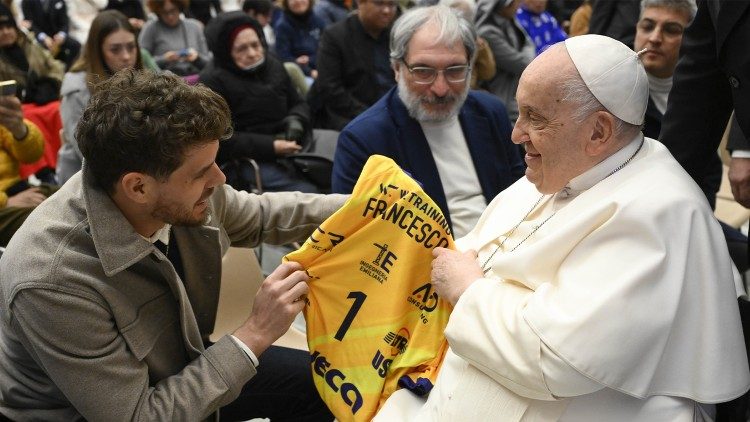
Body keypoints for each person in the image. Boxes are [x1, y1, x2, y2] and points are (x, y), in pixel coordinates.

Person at [375, 33, 750, 421]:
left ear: (599, 132)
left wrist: (469, 290)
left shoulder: (658, 213)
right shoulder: (562, 166)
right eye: (518, 113)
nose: (516, 133)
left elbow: (559, 359)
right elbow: (473, 251)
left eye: (534, 117)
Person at [0, 69, 344, 421]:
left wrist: (377, 205)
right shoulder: (50, 279)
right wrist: (255, 332)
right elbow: (139, 416)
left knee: (327, 386)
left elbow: (262, 215)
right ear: (138, 188)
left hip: (179, 366)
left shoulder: (165, 188)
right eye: (201, 173)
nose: (220, 179)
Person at [332, 5, 524, 238]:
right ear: (396, 69)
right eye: (423, 71)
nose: (441, 89)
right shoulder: (364, 141)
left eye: (455, 70)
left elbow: (522, 194)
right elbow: (357, 239)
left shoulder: (491, 112)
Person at [201, 11, 336, 193]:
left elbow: (299, 103)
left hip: (294, 142)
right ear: (225, 52)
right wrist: (272, 146)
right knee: (310, 193)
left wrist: (296, 119)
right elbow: (221, 139)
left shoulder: (273, 65)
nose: (252, 53)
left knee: (339, 170)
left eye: (256, 45)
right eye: (241, 49)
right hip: (251, 158)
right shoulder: (213, 82)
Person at [56, 10, 144, 185]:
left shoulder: (141, 78)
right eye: (115, 49)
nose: (126, 56)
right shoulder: (76, 87)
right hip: (83, 179)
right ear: (98, 51)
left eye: (131, 47)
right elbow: (84, 151)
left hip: (133, 172)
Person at [307, 0, 398, 130]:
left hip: (393, 112)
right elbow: (330, 88)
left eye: (391, 5)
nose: (386, 11)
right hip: (351, 116)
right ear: (361, 3)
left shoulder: (396, 36)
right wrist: (371, 115)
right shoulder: (335, 36)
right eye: (379, 3)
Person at [634, 0, 694, 140]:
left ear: (692, 38)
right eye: (647, 27)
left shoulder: (702, 93)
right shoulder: (612, 88)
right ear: (636, 29)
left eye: (671, 30)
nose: (655, 38)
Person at [0, 87, 47, 246]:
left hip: (16, 189)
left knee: (81, 195)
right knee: (52, 220)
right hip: (5, 203)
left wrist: (19, 129)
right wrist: (5, 202)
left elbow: (32, 155)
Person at [475, 0, 535, 124]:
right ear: (505, 5)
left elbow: (529, 42)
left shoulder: (510, 21)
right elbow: (521, 63)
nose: (518, 6)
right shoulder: (488, 32)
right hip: (502, 94)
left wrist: (527, 52)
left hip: (516, 86)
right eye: (515, 3)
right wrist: (528, 54)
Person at [0, 3, 63, 105]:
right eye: (0, 28)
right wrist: (22, 94)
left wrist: (51, 83)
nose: (6, 32)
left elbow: (55, 66)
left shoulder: (30, 43)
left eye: (9, 26)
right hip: (19, 110)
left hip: (49, 101)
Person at [138, 0, 210, 76]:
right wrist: (164, 59)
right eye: (164, 12)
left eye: (173, 10)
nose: (170, 16)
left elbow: (208, 63)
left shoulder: (194, 27)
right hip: (165, 82)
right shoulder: (151, 28)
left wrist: (197, 58)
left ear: (180, 8)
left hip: (196, 79)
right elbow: (141, 61)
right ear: (158, 13)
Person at [20, 0, 81, 70]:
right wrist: (43, 37)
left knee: (76, 45)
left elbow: (65, 22)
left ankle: (68, 71)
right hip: (38, 36)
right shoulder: (26, 2)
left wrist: (61, 35)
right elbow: (29, 23)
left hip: (56, 35)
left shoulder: (59, 1)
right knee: (38, 51)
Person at [274, 0, 326, 80]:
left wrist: (310, 59)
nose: (298, 1)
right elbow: (283, 58)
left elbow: (327, 50)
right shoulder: (282, 27)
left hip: (322, 66)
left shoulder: (319, 21)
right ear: (286, 3)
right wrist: (310, 72)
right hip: (300, 74)